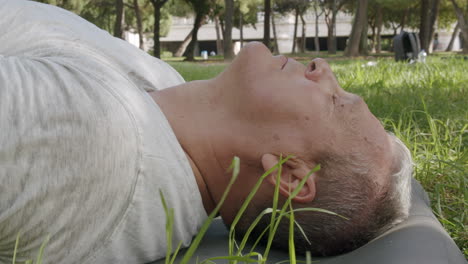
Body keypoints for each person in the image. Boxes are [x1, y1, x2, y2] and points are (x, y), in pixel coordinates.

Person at [0, 0, 413, 263]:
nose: (324, 71)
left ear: (291, 174)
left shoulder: (92, 139)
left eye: (336, 102)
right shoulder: (163, 91)